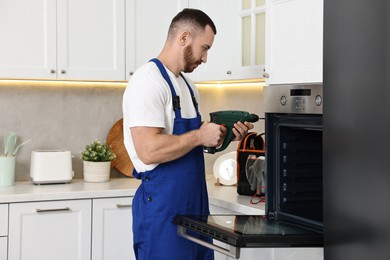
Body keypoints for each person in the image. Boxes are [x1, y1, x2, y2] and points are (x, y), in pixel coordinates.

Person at [122, 8, 254, 260]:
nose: (205, 58)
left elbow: (190, 142)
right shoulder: (147, 82)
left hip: (195, 208)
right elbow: (148, 150)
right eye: (204, 48)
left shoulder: (188, 86)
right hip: (163, 211)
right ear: (183, 38)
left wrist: (224, 136)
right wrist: (199, 136)